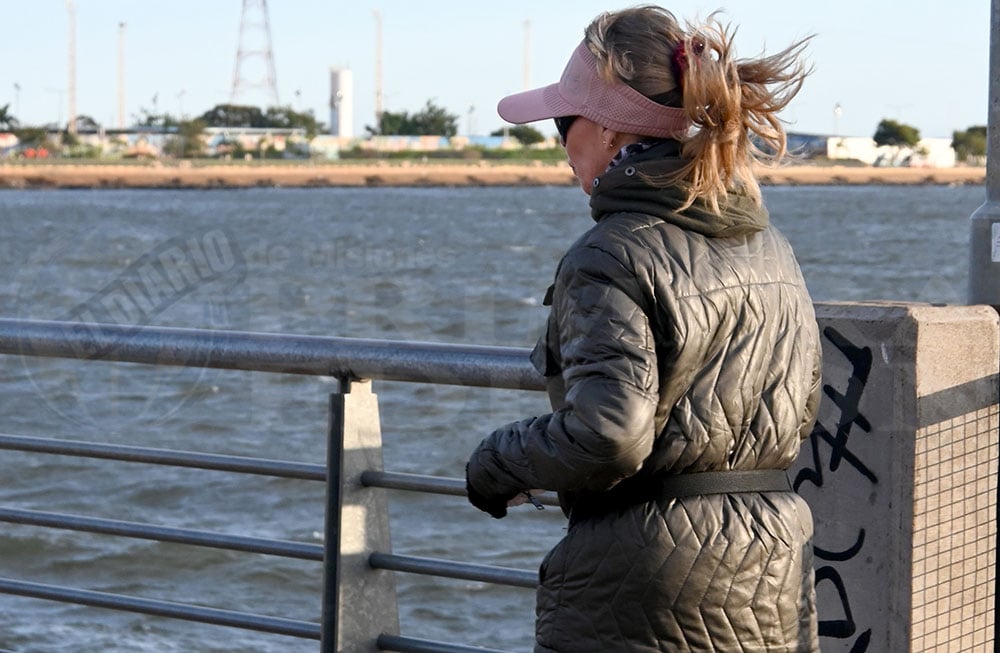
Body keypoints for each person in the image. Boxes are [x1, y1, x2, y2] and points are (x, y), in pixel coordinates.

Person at [465, 6, 822, 652]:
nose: (561, 143)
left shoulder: (609, 254)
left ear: (607, 129)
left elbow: (610, 433)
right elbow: (800, 408)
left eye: (560, 122)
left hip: (642, 583)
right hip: (771, 564)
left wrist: (496, 461)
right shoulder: (773, 247)